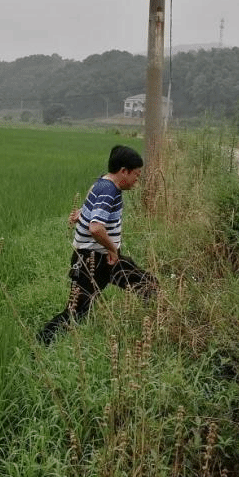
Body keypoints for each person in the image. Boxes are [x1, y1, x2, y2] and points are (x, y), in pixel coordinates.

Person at [38, 145, 158, 344]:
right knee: (76, 312)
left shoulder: (103, 182)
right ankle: (42, 343)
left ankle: (154, 325)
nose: (137, 180)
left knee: (147, 284)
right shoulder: (109, 191)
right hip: (92, 260)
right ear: (123, 171)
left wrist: (81, 215)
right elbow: (96, 228)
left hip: (103, 259)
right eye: (136, 174)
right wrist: (112, 249)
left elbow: (91, 206)